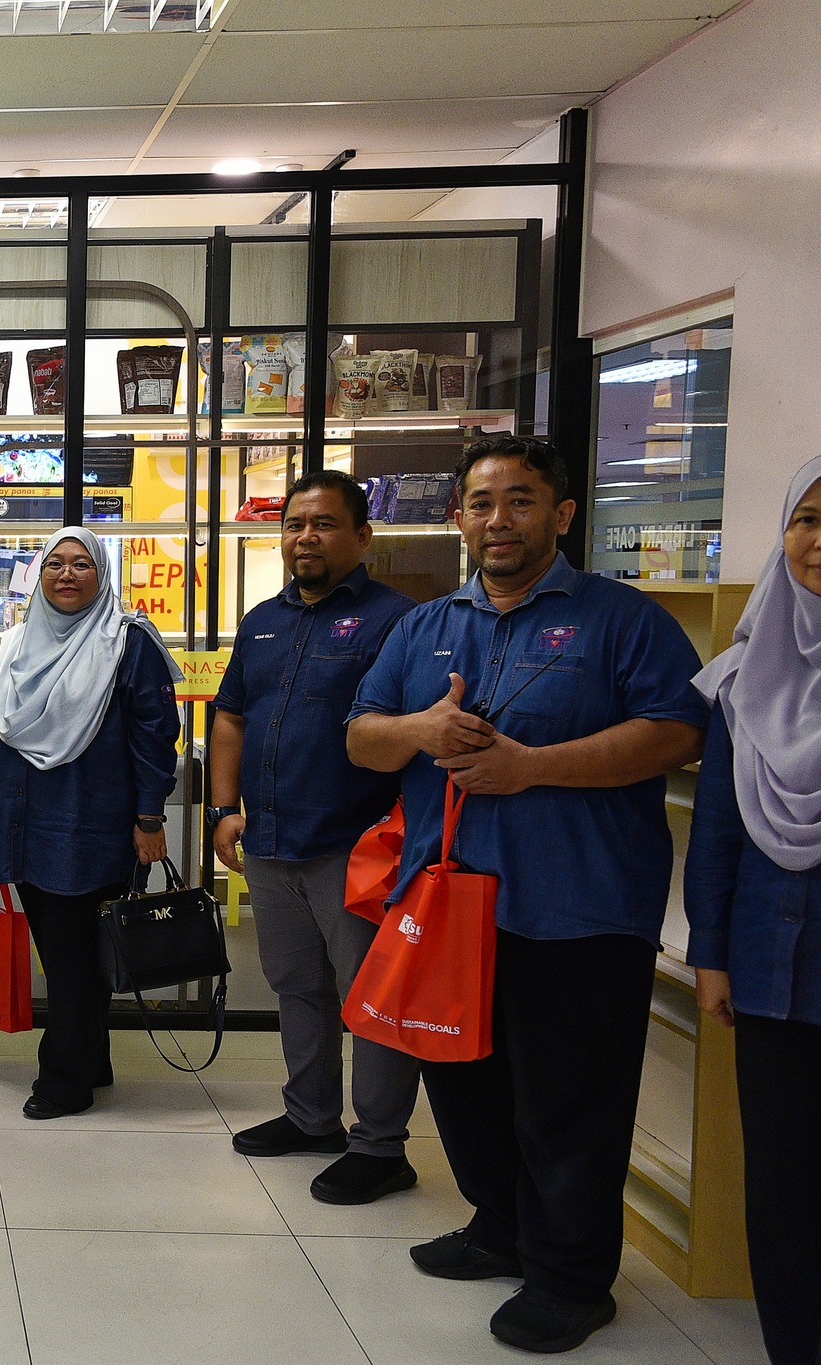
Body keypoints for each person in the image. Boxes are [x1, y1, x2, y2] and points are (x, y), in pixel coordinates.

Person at [348, 435, 707, 1355]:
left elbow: (677, 731)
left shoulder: (623, 620)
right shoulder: (424, 628)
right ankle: (501, 1226)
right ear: (459, 518)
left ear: (562, 513)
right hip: (447, 909)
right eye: (481, 502)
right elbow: (361, 737)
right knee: (465, 1087)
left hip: (577, 910)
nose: (498, 519)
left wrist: (532, 767)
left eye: (520, 499)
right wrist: (419, 728)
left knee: (568, 1104)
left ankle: (571, 1278)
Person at [211, 471, 423, 1204]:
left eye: (325, 524)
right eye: (295, 524)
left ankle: (381, 1145)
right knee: (297, 986)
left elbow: (412, 735)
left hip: (357, 849)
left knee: (372, 997)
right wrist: (223, 807)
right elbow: (231, 715)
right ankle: (311, 1118)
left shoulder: (398, 620)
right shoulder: (262, 622)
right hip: (271, 840)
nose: (306, 537)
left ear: (363, 536)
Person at [0, 527, 180, 1119]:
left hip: (92, 819)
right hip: (24, 814)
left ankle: (64, 1080)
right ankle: (91, 1060)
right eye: (55, 564)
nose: (67, 574)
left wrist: (149, 815)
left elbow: (154, 735)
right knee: (69, 950)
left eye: (82, 564)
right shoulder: (16, 643)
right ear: (39, 575)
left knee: (72, 957)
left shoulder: (129, 642)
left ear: (102, 575)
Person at [686, 454, 821, 1365]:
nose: (819, 540)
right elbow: (719, 832)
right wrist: (711, 951)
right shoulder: (743, 680)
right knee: (783, 1178)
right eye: (807, 518)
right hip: (775, 965)